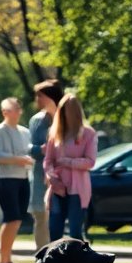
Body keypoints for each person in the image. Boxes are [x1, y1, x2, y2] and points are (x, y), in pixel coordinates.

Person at [44, 93, 97, 241]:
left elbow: (90, 162)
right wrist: (52, 178)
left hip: (78, 190)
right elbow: (48, 160)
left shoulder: (88, 133)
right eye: (64, 110)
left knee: (75, 232)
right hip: (57, 188)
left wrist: (66, 161)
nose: (67, 114)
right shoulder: (55, 133)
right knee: (54, 231)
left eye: (70, 110)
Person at [0, 97, 34, 263]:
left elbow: (29, 152)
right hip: (6, 178)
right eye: (13, 109)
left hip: (22, 177)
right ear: (4, 112)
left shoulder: (25, 132)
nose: (17, 112)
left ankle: (7, 259)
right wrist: (18, 159)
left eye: (18, 108)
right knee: (11, 218)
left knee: (17, 219)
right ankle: (3, 260)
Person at [27, 79, 65, 250]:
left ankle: (59, 256)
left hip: (63, 175)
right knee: (42, 216)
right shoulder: (38, 120)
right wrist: (42, 149)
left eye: (40, 96)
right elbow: (32, 149)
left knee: (58, 216)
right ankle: (42, 256)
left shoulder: (65, 116)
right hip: (42, 175)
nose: (37, 99)